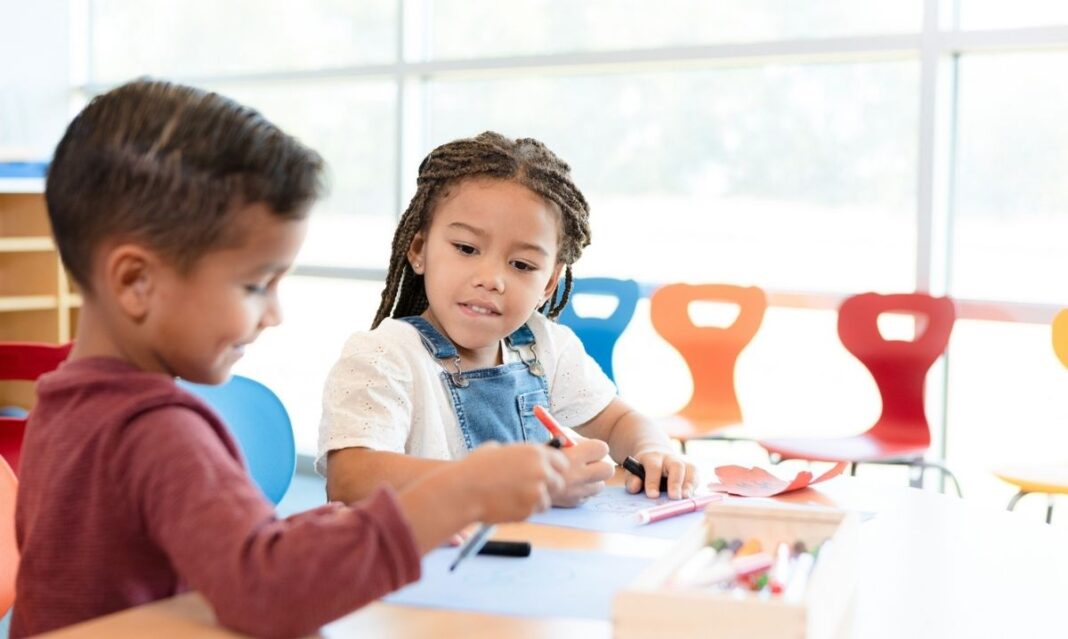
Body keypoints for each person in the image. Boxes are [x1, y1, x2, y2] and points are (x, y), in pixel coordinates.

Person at [11, 81, 567, 639]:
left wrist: (332, 528)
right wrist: (454, 495)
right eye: (256, 285)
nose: (274, 314)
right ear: (135, 281)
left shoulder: (64, 400)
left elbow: (197, 557)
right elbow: (265, 592)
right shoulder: (156, 431)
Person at [319, 131, 698, 509]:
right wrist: (499, 482)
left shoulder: (545, 347)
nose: (491, 279)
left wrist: (653, 450)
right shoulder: (384, 356)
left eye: (521, 265)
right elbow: (351, 478)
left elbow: (618, 422)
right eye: (466, 248)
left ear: (548, 283)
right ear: (419, 250)